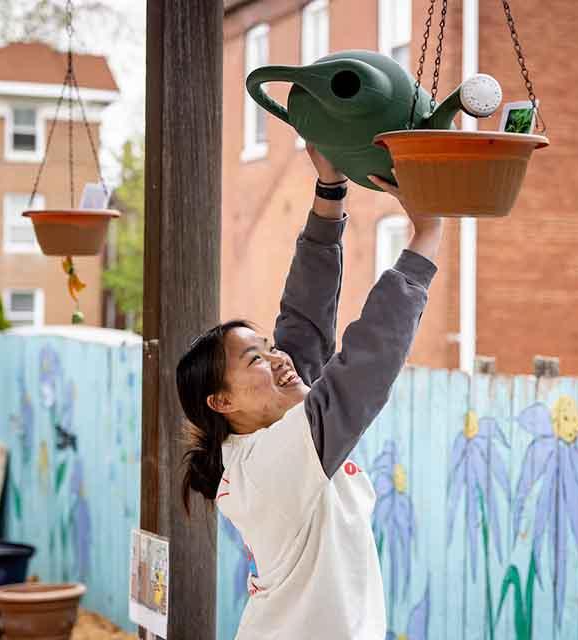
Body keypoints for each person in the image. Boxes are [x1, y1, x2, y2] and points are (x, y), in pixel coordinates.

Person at [176, 145, 443, 639]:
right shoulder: (267, 465)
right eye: (256, 358)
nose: (278, 358)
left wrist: (329, 189)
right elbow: (362, 369)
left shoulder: (265, 436)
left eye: (267, 347)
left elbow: (302, 325)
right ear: (223, 402)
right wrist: (425, 239)